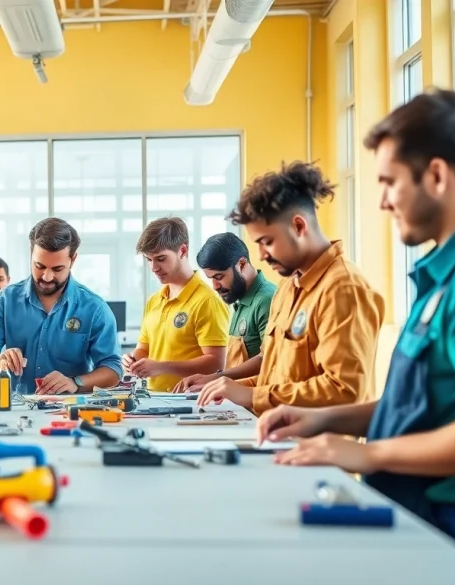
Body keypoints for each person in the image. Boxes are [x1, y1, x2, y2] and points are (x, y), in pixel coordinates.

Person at [257, 89, 455, 566]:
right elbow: (427, 405)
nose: (384, 202)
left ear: (435, 175)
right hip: (426, 510)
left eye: (389, 183)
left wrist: (370, 454)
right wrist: (329, 420)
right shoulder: (449, 272)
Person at [197, 161, 386, 414]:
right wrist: (227, 388)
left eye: (267, 242)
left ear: (298, 226)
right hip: (277, 438)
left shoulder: (343, 289)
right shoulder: (287, 287)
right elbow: (274, 379)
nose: (261, 255)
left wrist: (250, 394)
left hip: (319, 448)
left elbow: (345, 391)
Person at [0, 218, 121, 394]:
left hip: (69, 412)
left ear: (73, 260)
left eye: (57, 269)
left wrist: (75, 382)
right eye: (39, 266)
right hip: (17, 411)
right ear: (31, 253)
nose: (47, 277)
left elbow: (113, 369)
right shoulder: (5, 300)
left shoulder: (94, 309)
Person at [121, 218, 229, 392]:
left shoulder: (207, 301)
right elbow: (144, 348)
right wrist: (134, 360)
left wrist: (162, 367)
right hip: (155, 398)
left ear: (183, 250)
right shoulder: (154, 301)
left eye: (161, 259)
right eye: (149, 260)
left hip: (193, 402)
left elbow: (216, 363)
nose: (154, 267)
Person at [173, 232, 277, 392]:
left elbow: (269, 360)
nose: (215, 286)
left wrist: (215, 379)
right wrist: (210, 379)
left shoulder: (267, 300)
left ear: (242, 264)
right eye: (211, 279)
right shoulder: (239, 301)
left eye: (219, 277)